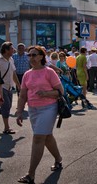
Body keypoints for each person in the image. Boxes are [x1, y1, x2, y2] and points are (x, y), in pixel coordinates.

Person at [16, 46, 64, 184]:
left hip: (48, 108)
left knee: (38, 138)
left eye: (34, 55)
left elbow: (60, 91)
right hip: (33, 110)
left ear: (41, 57)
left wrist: (46, 93)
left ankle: (30, 175)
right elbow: (23, 95)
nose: (31, 58)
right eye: (29, 55)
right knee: (47, 136)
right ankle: (58, 159)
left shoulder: (49, 72)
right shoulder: (27, 74)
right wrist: (19, 111)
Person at [0, 42, 21, 134]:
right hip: (1, 87)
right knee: (6, 106)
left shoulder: (11, 59)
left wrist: (19, 85)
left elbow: (13, 73)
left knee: (6, 106)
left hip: (9, 87)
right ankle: (6, 128)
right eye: (12, 49)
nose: (14, 50)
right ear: (6, 50)